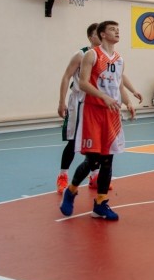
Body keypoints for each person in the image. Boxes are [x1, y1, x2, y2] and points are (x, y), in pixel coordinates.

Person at [60, 20, 137, 221]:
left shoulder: (120, 59)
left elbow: (118, 85)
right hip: (93, 111)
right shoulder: (91, 55)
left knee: (108, 160)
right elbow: (83, 83)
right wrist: (103, 97)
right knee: (93, 159)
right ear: (102, 34)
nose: (117, 32)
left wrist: (128, 102)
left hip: (112, 114)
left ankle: (101, 204)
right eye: (112, 29)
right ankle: (71, 191)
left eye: (118, 29)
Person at [56, 23, 100, 194]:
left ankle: (95, 176)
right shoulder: (81, 54)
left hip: (95, 103)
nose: (101, 36)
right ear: (90, 37)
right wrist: (61, 102)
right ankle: (62, 176)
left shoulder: (104, 56)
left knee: (94, 142)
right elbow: (66, 76)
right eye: (97, 34)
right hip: (78, 101)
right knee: (73, 141)